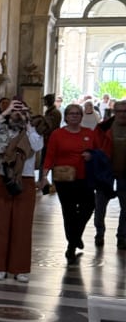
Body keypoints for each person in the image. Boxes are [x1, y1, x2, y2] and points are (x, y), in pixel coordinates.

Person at [0, 99, 43, 282]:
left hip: (25, 180)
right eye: (14, 109)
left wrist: (28, 123)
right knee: (0, 224)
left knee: (22, 225)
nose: (17, 112)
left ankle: (19, 268)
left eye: (21, 109)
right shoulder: (1, 128)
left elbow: (37, 146)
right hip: (4, 180)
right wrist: (3, 114)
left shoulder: (33, 130)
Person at [44, 101, 107, 261]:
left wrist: (91, 155)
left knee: (89, 206)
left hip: (84, 177)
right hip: (63, 178)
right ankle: (71, 245)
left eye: (77, 114)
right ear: (66, 117)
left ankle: (76, 235)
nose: (74, 116)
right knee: (69, 211)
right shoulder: (57, 134)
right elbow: (50, 155)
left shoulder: (89, 133)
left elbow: (99, 151)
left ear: (81, 116)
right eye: (71, 114)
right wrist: (43, 176)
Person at [94, 100, 126, 246]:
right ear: (114, 112)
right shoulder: (103, 128)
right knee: (100, 205)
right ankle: (99, 232)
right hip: (105, 172)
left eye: (125, 111)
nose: (122, 114)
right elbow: (95, 147)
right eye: (119, 111)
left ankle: (122, 236)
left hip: (125, 173)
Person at [38, 92, 62, 194]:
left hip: (51, 140)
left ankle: (50, 183)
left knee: (49, 162)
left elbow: (50, 126)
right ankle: (44, 181)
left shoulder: (54, 113)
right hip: (48, 140)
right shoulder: (51, 112)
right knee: (45, 162)